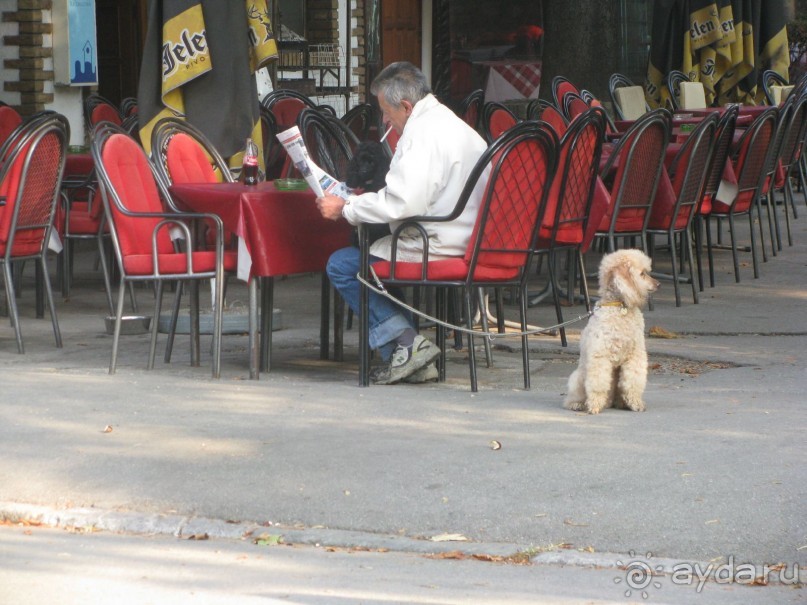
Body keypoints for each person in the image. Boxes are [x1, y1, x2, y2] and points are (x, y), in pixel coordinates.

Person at [316, 61, 488, 385]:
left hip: (436, 243)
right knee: (373, 257)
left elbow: (401, 203)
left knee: (343, 264)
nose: (384, 120)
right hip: (465, 237)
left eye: (386, 111)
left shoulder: (422, 134)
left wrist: (347, 207)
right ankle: (411, 350)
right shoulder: (450, 124)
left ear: (406, 106)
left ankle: (407, 345)